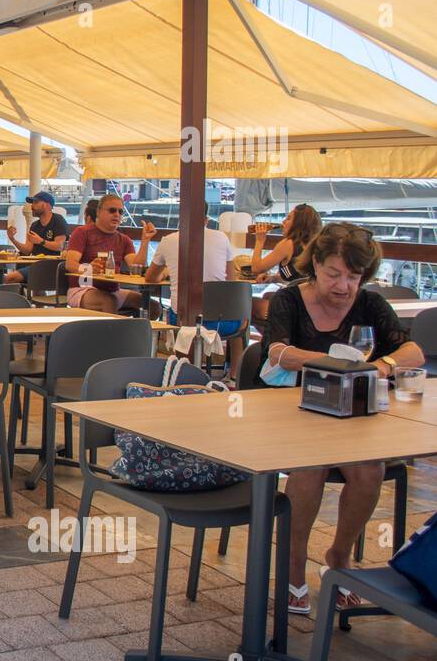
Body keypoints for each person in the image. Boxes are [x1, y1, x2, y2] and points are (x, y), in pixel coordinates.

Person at [259, 224, 425, 613]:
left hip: (347, 417)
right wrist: (336, 366)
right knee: (310, 468)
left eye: (353, 276)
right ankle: (293, 566)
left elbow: (413, 353)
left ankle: (339, 556)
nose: (343, 286)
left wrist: (381, 366)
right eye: (334, 274)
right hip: (290, 412)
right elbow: (277, 351)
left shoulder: (369, 304)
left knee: (371, 469)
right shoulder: (288, 301)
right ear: (315, 264)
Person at [146, 226, 244, 372]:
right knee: (240, 314)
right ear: (206, 220)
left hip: (181, 321)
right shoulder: (222, 237)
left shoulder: (167, 240)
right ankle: (234, 376)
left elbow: (151, 277)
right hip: (223, 323)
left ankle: (183, 372)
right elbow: (232, 281)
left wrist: (166, 272)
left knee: (178, 317)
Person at [63, 193, 156, 314]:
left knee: (152, 306)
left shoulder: (124, 240)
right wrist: (88, 268)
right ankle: (112, 332)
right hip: (82, 289)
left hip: (113, 291)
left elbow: (136, 267)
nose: (117, 214)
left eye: (120, 212)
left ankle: (135, 332)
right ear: (99, 212)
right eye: (112, 210)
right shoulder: (82, 232)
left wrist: (145, 241)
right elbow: (70, 264)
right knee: (109, 302)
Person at [250, 203, 322, 323]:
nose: (283, 221)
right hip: (312, 305)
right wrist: (273, 279)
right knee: (267, 295)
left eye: (288, 218)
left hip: (297, 308)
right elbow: (298, 278)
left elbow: (256, 268)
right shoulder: (314, 246)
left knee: (248, 303)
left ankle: (274, 339)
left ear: (298, 224)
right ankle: (274, 338)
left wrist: (260, 240)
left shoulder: (288, 244)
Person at [4, 191, 68, 285]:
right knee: (8, 277)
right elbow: (27, 250)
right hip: (35, 264)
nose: (32, 206)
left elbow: (60, 246)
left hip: (51, 266)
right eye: (32, 203)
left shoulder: (58, 220)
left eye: (36, 202)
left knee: (10, 278)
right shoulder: (34, 225)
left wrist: (41, 241)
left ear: (47, 205)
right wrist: (12, 239)